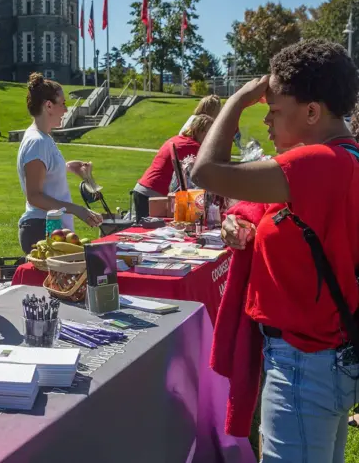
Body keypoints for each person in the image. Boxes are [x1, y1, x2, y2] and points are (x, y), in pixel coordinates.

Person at [193, 39, 359, 463]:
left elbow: (206, 171)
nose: (265, 119)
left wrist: (236, 100)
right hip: (333, 354)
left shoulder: (317, 163)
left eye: (274, 108)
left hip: (304, 364)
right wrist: (245, 219)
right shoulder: (346, 158)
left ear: (311, 112)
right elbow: (283, 212)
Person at [17, 73, 103, 254]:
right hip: (41, 229)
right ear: (48, 105)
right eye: (62, 103)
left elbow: (45, 173)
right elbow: (34, 196)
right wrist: (77, 210)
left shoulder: (43, 138)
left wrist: (70, 167)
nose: (65, 110)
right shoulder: (37, 142)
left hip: (50, 229)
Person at [133, 114, 214, 221]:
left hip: (144, 189)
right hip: (154, 194)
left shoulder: (178, 139)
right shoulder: (193, 146)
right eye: (210, 133)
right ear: (201, 131)